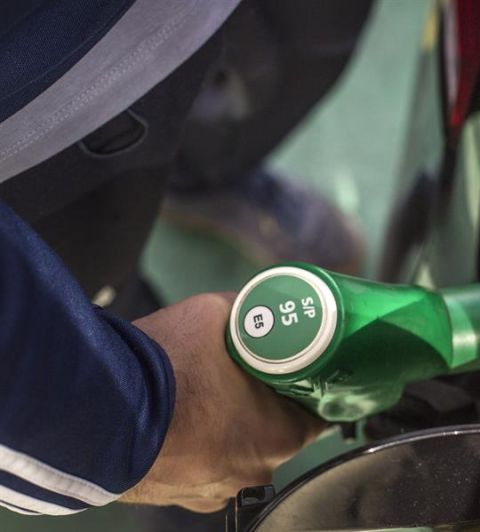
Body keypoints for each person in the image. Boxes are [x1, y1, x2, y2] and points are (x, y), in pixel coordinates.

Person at [0, 0, 369, 518]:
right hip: (35, 89)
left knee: (290, 55)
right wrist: (137, 416)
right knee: (101, 304)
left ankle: (201, 180)